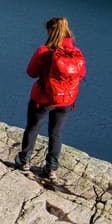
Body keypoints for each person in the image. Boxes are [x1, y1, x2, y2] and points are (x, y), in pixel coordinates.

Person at [14, 16, 86, 179]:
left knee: (33, 128)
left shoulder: (44, 51)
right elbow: (81, 74)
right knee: (56, 132)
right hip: (66, 100)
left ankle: (24, 160)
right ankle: (51, 168)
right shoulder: (76, 53)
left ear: (50, 31)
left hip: (43, 99)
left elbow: (31, 72)